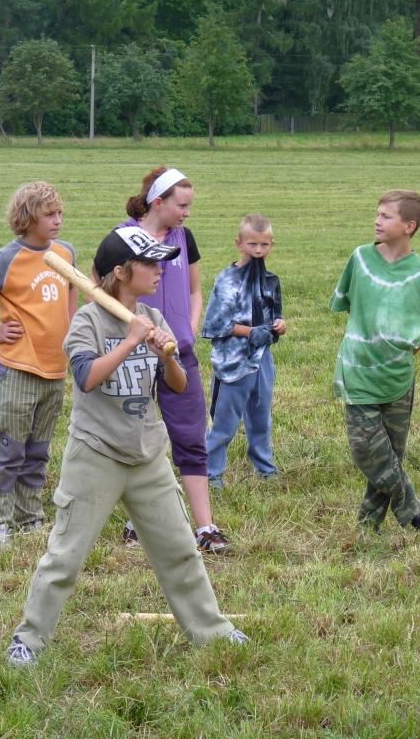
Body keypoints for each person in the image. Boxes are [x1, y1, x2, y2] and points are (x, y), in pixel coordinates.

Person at [7, 226, 248, 666]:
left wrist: (167, 356)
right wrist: (132, 341)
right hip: (95, 452)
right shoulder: (88, 321)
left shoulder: (153, 317)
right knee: (65, 557)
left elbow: (176, 386)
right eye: (149, 264)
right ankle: (28, 641)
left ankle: (213, 632)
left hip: (147, 453)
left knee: (180, 551)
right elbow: (86, 377)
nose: (160, 271)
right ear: (120, 272)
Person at [0, 182, 78, 549]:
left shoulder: (65, 253)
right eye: (49, 214)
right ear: (27, 218)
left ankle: (29, 517)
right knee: (9, 450)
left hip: (55, 371)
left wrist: (71, 329)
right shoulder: (8, 258)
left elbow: (73, 287)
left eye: (60, 213)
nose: (58, 220)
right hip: (18, 371)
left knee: (38, 450)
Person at [115, 166, 231, 554]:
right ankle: (137, 523)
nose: (187, 212)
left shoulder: (185, 238)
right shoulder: (122, 238)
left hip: (178, 355)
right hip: (135, 356)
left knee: (191, 437)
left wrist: (190, 328)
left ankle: (206, 529)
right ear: (158, 202)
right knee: (138, 438)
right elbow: (98, 292)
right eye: (181, 205)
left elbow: (196, 290)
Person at [330, 190, 420, 540]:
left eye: (386, 216)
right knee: (367, 450)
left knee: (389, 457)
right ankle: (418, 511)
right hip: (358, 372)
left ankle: (367, 527)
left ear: (408, 226)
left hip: (398, 379)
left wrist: (407, 351)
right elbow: (352, 307)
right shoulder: (361, 258)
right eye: (377, 214)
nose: (376, 221)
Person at [202, 214, 286, 487]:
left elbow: (274, 316)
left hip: (263, 360)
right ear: (239, 244)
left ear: (272, 245)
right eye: (252, 244)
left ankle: (265, 469)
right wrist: (251, 332)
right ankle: (212, 474)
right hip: (233, 362)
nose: (258, 251)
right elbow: (215, 325)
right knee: (224, 422)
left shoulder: (271, 280)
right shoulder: (227, 280)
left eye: (264, 245)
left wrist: (279, 325)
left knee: (261, 419)